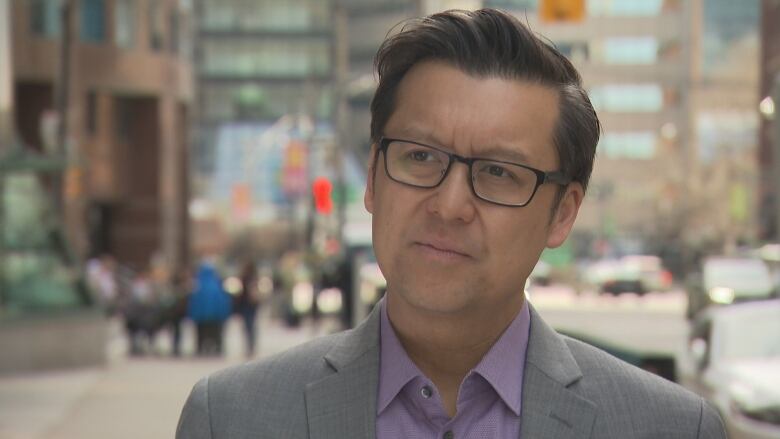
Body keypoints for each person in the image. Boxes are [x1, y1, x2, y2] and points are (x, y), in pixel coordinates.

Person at [177, 9, 726, 438]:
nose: (449, 204)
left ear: (563, 213)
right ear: (372, 177)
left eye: (498, 172)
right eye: (420, 157)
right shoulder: (231, 419)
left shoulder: (670, 428)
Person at [187, 263, 232, 356]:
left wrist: (193, 315)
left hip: (201, 318)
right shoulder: (217, 286)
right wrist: (224, 315)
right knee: (216, 334)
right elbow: (222, 302)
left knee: (201, 335)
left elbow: (194, 303)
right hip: (215, 318)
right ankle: (217, 348)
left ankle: (200, 349)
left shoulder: (198, 287)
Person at [234, 260, 261, 357]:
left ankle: (249, 346)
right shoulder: (254, 278)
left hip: (246, 305)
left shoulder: (244, 278)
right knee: (251, 326)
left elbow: (239, 293)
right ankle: (251, 346)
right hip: (252, 305)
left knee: (247, 326)